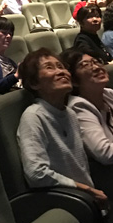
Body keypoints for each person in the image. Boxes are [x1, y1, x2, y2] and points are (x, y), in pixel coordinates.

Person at [16, 49, 106, 204]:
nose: (61, 72)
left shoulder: (69, 113)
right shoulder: (34, 116)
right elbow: (36, 173)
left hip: (88, 199)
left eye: (61, 66)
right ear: (34, 83)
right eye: (50, 68)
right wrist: (86, 190)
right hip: (67, 201)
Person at [64, 48, 113, 167]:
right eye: (85, 65)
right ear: (74, 80)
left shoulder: (109, 94)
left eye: (96, 62)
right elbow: (104, 152)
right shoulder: (78, 106)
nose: (96, 67)